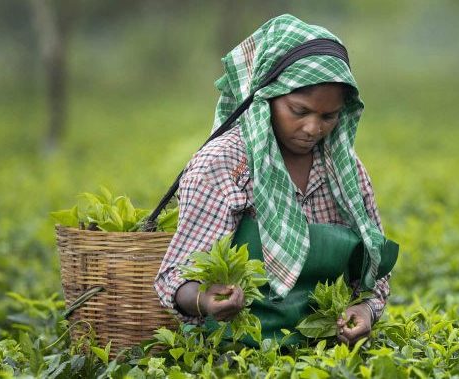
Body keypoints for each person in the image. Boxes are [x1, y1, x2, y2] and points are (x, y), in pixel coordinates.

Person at [155, 14, 397, 346]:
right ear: (267, 98)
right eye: (299, 111)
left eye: (328, 116)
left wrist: (366, 311)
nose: (314, 129)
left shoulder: (346, 173)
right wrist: (204, 299)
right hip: (233, 355)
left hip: (324, 353)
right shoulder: (225, 164)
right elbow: (175, 276)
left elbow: (373, 275)